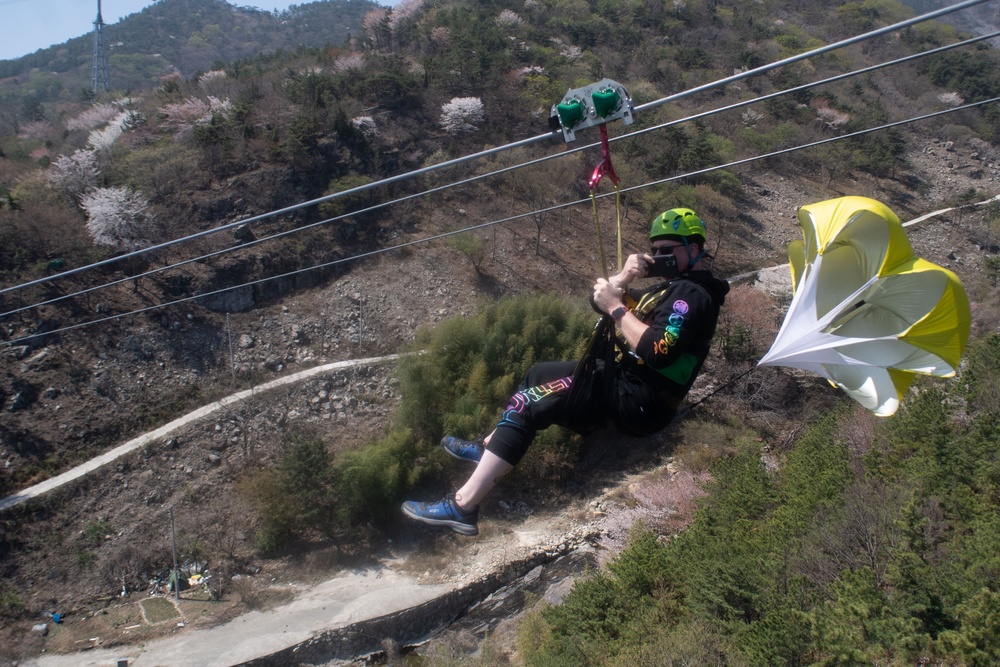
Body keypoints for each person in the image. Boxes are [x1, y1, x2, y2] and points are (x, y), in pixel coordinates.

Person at [401, 208, 730, 535]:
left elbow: (658, 351)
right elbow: (600, 300)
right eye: (654, 250)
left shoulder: (691, 295)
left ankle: (462, 506)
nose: (659, 256)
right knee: (538, 374)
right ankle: (488, 446)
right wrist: (623, 278)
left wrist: (617, 308)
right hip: (624, 382)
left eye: (667, 250)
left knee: (528, 403)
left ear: (694, 250)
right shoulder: (669, 289)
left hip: (639, 398)